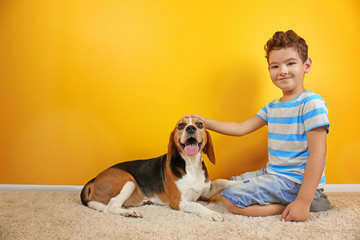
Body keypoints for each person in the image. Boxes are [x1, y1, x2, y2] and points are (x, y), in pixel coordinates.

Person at [190, 30, 331, 222]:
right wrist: (204, 122)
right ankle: (305, 200)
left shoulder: (311, 103)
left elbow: (318, 154)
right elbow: (240, 128)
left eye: (290, 63)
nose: (282, 71)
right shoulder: (273, 107)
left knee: (231, 199)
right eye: (275, 66)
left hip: (294, 181)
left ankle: (304, 202)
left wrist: (303, 202)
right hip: (274, 173)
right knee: (228, 185)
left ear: (306, 65)